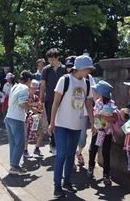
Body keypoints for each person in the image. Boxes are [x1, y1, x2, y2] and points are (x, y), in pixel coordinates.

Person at [48, 55, 96, 198]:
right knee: (61, 154)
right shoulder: (65, 80)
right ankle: (57, 186)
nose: (90, 71)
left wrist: (93, 123)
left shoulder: (86, 83)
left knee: (70, 155)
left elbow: (88, 104)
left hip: (77, 124)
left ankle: (66, 182)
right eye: (89, 69)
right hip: (61, 124)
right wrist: (52, 122)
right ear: (81, 68)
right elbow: (55, 102)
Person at [4, 70, 39, 175]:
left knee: (13, 144)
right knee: (20, 143)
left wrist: (31, 105)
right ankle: (14, 166)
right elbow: (22, 103)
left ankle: (14, 165)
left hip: (9, 117)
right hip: (17, 118)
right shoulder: (24, 88)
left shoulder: (15, 86)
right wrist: (33, 109)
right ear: (29, 79)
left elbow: (19, 102)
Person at [87, 81, 117, 186]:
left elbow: (114, 118)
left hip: (107, 132)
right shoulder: (98, 102)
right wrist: (94, 125)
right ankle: (90, 167)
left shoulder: (111, 104)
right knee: (92, 150)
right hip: (98, 130)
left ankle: (106, 175)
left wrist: (102, 117)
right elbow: (95, 115)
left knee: (106, 153)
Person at [40, 48, 65, 156]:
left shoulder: (64, 69)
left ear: (57, 58)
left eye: (53, 60)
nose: (51, 62)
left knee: (62, 121)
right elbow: (43, 86)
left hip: (63, 100)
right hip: (49, 99)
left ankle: (61, 144)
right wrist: (41, 101)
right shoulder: (46, 70)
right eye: (49, 60)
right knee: (52, 121)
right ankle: (53, 144)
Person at [23, 79, 45, 158]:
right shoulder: (25, 95)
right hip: (27, 117)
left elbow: (39, 106)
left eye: (36, 89)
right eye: (33, 89)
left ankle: (37, 148)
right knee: (26, 134)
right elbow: (24, 104)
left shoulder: (36, 97)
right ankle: (25, 150)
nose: (34, 90)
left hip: (36, 118)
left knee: (41, 133)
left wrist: (38, 105)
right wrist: (32, 104)